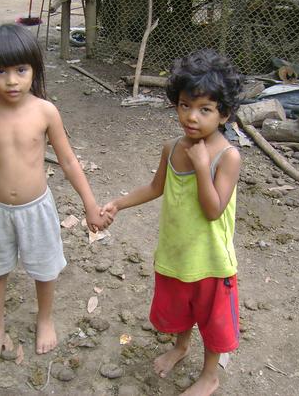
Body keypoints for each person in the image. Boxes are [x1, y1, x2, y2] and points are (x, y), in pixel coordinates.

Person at [102, 49, 242, 395]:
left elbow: (213, 210)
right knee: (182, 308)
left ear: (223, 114)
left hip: (211, 261)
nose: (191, 117)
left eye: (205, 109)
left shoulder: (228, 157)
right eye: (184, 105)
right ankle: (181, 347)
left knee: (212, 319)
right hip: (176, 252)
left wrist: (200, 165)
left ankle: (210, 375)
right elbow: (155, 187)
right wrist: (119, 203)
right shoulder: (172, 147)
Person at [0, 24, 110, 364]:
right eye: (1, 71)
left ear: (34, 70)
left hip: (37, 209)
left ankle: (44, 319)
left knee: (45, 269)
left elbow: (68, 160)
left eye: (21, 70)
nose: (12, 80)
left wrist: (90, 204)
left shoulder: (46, 112)